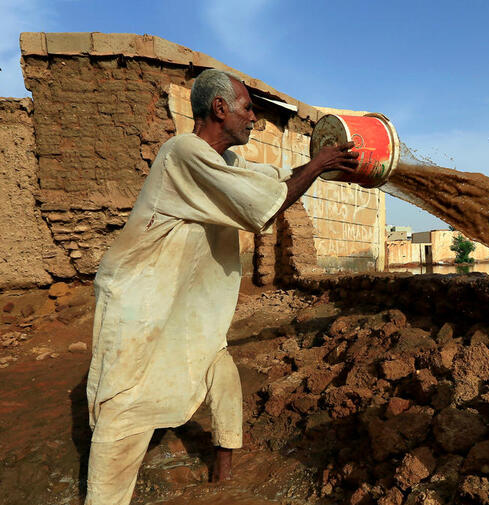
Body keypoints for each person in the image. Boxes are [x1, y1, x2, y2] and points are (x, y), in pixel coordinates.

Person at [84, 68, 358, 505]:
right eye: (247, 108)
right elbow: (260, 208)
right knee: (125, 405)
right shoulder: (183, 152)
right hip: (140, 303)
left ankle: (224, 465)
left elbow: (272, 178)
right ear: (219, 108)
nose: (254, 119)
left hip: (184, 302)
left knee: (216, 363)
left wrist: (322, 164)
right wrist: (321, 165)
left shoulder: (225, 162)